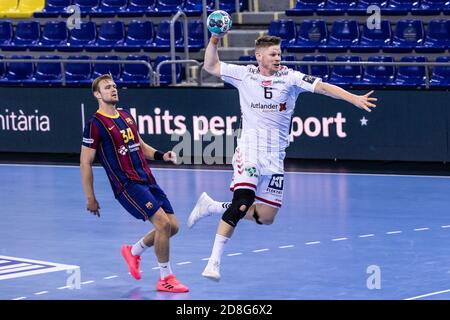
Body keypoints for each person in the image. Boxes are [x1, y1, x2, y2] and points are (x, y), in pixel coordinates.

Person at [187, 35, 377, 281]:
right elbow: (211, 66)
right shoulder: (244, 75)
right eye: (273, 54)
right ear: (259, 56)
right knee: (243, 200)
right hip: (250, 150)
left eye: (279, 53)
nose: (278, 58)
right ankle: (213, 263)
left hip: (275, 157)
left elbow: (324, 87)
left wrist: (354, 98)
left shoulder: (291, 78)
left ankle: (211, 206)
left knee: (266, 217)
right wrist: (213, 40)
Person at [80, 74, 189, 293]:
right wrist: (90, 197)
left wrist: (161, 156)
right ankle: (165, 278)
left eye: (114, 86)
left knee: (173, 227)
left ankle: (134, 251)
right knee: (162, 224)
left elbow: (139, 145)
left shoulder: (126, 116)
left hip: (147, 178)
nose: (113, 89)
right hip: (127, 185)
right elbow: (85, 162)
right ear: (97, 94)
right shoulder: (95, 124)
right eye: (107, 87)